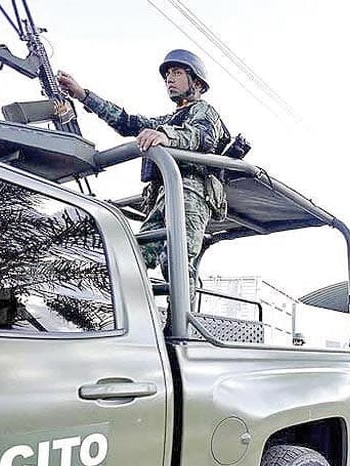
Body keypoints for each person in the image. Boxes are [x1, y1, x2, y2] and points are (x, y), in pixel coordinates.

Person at [57, 49, 230, 291]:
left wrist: (166, 136)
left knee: (176, 261)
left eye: (177, 73)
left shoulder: (205, 112)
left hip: (191, 192)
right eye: (168, 75)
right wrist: (83, 95)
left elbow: (202, 136)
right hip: (164, 194)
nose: (169, 79)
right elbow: (127, 122)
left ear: (198, 83)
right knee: (136, 257)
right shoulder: (168, 120)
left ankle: (180, 316)